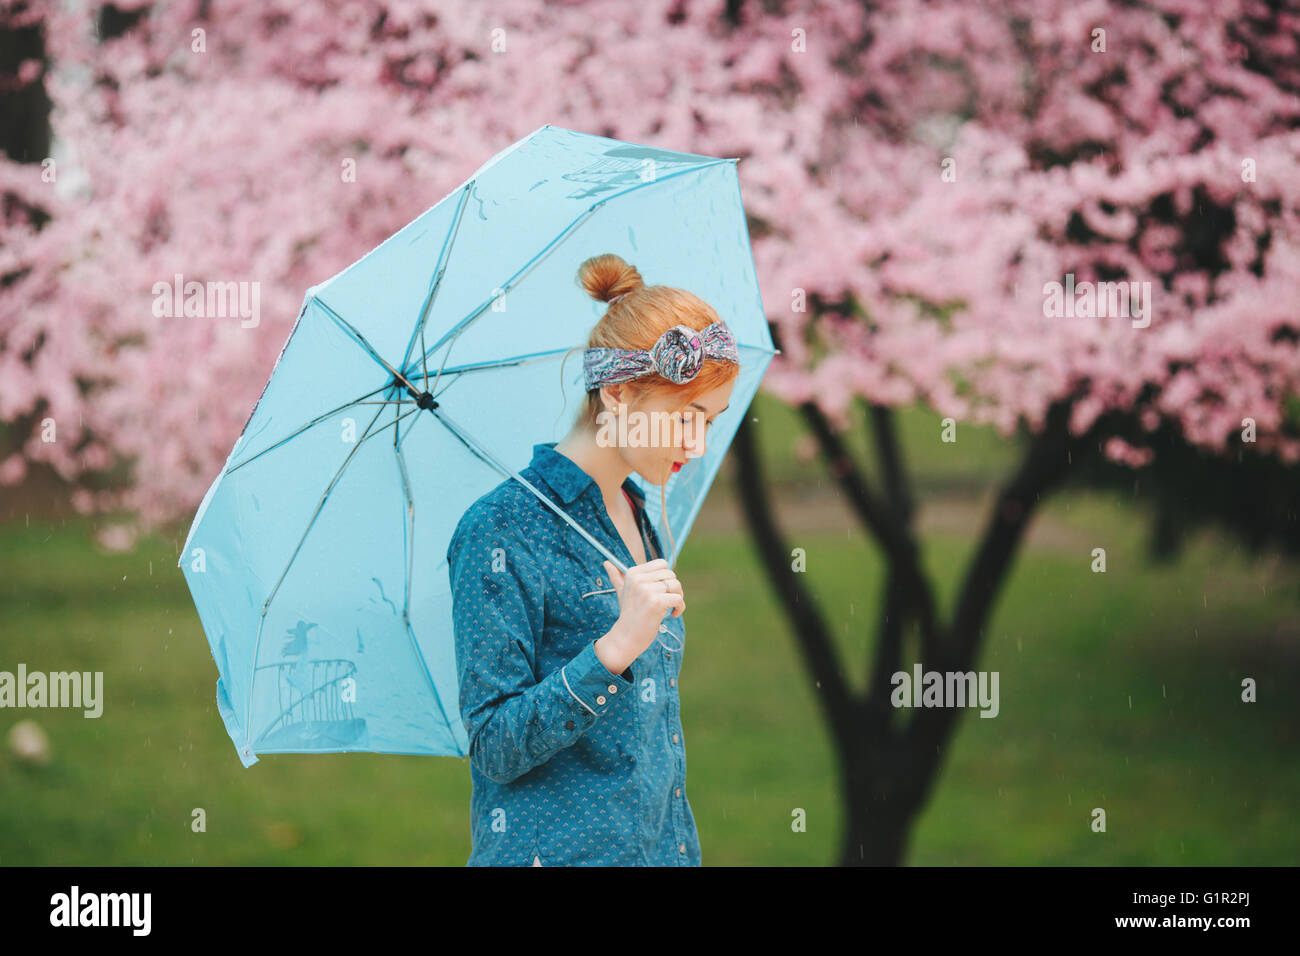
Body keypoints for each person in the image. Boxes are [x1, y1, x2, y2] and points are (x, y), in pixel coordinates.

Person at [445, 252, 739, 866]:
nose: (698, 445)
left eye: (711, 421)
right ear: (618, 392)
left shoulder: (637, 512)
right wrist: (614, 649)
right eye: (685, 418)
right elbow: (496, 746)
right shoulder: (502, 529)